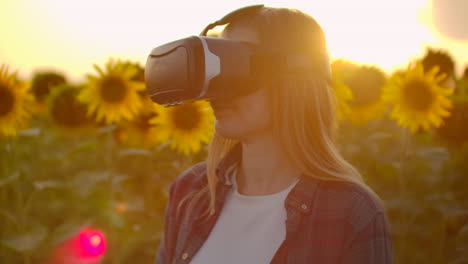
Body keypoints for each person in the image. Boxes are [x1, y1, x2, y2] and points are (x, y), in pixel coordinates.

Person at [155, 5, 394, 264]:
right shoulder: (191, 191)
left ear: (293, 80)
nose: (218, 88)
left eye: (236, 65)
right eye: (217, 64)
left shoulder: (350, 213)